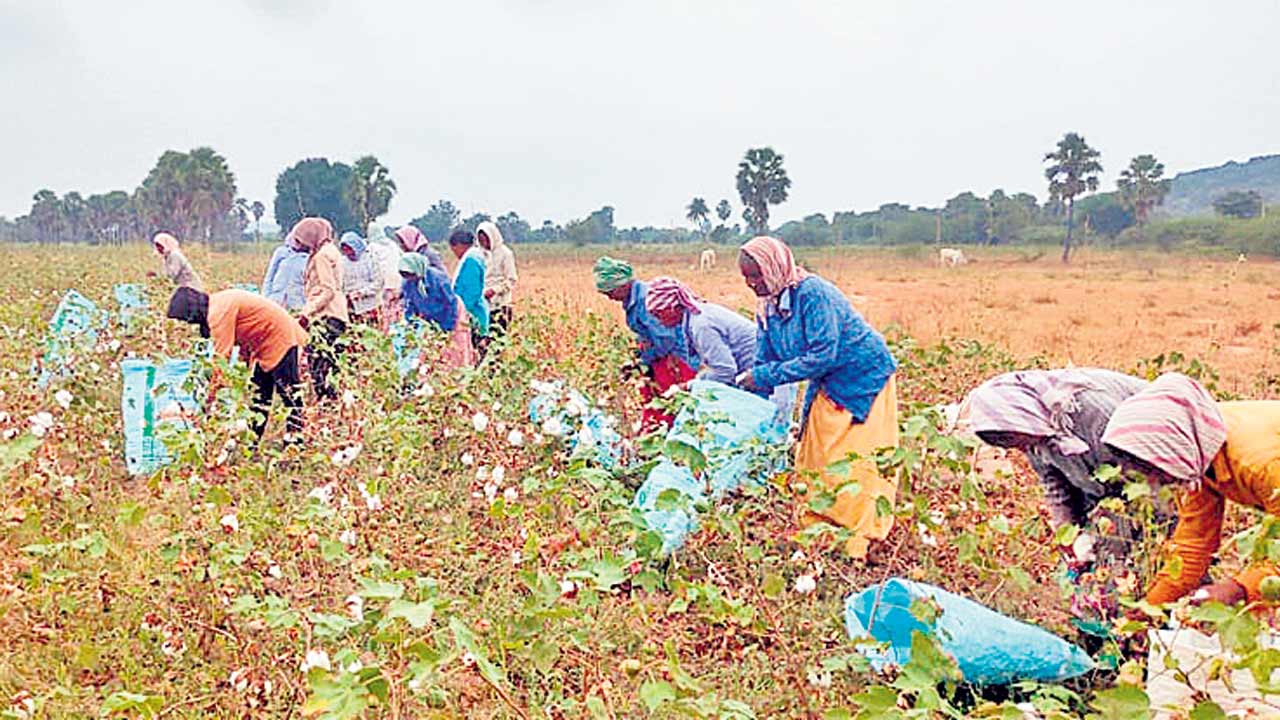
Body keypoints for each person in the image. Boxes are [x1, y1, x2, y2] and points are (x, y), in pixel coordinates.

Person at [736, 236, 898, 559]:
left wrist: (765, 377)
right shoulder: (767, 307)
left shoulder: (812, 294)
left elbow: (823, 355)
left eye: (756, 275)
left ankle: (857, 543)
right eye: (746, 277)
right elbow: (764, 359)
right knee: (815, 457)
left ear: (775, 268)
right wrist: (748, 399)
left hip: (863, 377)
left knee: (854, 463)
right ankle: (818, 533)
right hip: (827, 382)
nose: (752, 284)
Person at [1102, 372, 1280, 606]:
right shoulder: (1200, 449)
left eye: (1154, 467)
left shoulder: (1260, 463)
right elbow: (1194, 544)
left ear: (1173, 446)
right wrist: (1151, 607)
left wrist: (1238, 589)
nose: (1154, 481)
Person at [966, 368, 1150, 528]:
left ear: (1024, 413)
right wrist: (1065, 529)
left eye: (1014, 439)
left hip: (1150, 475)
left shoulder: (1089, 411)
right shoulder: (1033, 433)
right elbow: (1053, 481)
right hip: (1108, 492)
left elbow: (1141, 469)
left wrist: (1110, 518)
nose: (1021, 449)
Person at [166, 287, 307, 440]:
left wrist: (209, 402)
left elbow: (221, 362)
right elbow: (243, 338)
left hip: (280, 337)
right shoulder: (217, 304)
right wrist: (245, 369)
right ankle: (252, 443)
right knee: (258, 398)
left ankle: (295, 441)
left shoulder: (218, 314)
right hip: (263, 343)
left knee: (289, 397)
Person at [593, 257, 698, 429]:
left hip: (675, 358)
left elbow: (666, 339)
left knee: (670, 403)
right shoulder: (634, 298)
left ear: (623, 285)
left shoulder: (644, 300)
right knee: (658, 402)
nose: (609, 297)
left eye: (610, 292)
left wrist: (643, 362)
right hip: (660, 354)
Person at [644, 276, 755, 386]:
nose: (658, 321)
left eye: (658, 315)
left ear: (674, 309)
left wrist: (691, 386)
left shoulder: (701, 326)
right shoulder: (695, 317)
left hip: (756, 373)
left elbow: (725, 371)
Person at [291, 218, 349, 401]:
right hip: (338, 315)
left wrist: (306, 313)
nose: (300, 245)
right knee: (332, 367)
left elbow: (327, 290)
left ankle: (327, 404)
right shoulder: (332, 251)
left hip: (325, 316)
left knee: (319, 368)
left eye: (301, 240)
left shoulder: (321, 257)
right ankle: (334, 408)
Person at [400, 254, 474, 368]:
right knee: (430, 345)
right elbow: (410, 305)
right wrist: (410, 326)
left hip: (452, 311)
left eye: (410, 274)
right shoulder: (407, 283)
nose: (409, 278)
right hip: (430, 315)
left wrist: (447, 328)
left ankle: (460, 370)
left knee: (455, 344)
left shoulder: (438, 279)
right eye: (405, 275)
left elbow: (450, 303)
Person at [448, 229, 490, 352]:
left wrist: (462, 312)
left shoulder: (471, 260)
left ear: (459, 246)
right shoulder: (474, 257)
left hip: (473, 314)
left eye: (454, 250)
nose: (455, 254)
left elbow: (472, 292)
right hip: (473, 312)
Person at [477, 221, 518, 334]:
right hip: (482, 304)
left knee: (498, 337)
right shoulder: (479, 254)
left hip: (501, 304)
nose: (484, 244)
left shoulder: (505, 254)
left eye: (486, 240)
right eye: (481, 241)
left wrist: (494, 290)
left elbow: (511, 280)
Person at [338, 231, 385, 327]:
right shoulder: (342, 262)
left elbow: (378, 282)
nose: (348, 253)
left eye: (350, 249)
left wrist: (362, 292)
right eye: (345, 250)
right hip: (351, 306)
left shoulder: (370, 259)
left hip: (370, 304)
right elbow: (340, 283)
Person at [262, 234, 309, 310]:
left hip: (297, 304)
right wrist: (266, 297)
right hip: (275, 300)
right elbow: (269, 276)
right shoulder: (281, 252)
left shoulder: (310, 258)